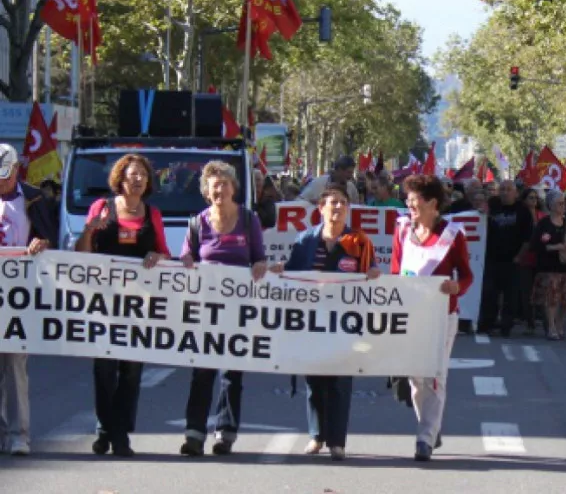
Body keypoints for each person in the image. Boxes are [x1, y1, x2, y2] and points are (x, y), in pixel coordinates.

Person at [272, 184, 381, 460]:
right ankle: (316, 436)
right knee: (315, 380)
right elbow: (294, 274)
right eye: (332, 203)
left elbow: (370, 272)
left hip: (345, 321)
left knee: (340, 381)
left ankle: (337, 441)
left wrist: (374, 273)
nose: (338, 207)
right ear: (320, 209)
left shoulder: (359, 241)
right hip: (312, 320)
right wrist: (279, 271)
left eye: (343, 203)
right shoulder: (305, 240)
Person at [76, 154, 170, 457]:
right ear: (121, 178)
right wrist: (90, 229)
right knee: (104, 369)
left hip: (138, 306)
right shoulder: (101, 208)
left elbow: (164, 252)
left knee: (130, 371)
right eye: (133, 174)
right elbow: (82, 254)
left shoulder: (152, 213)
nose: (138, 179)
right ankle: (105, 429)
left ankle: (121, 435)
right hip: (103, 303)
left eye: (143, 175)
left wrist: (158, 257)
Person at [178, 161, 267, 457]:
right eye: (214, 185)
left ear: (234, 188)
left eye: (224, 184)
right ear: (206, 191)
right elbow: (186, 255)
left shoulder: (248, 219)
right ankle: (193, 434)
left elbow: (259, 257)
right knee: (201, 371)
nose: (220, 189)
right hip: (204, 309)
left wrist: (260, 265)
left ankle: (225, 433)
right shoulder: (197, 223)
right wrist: (187, 261)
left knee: (232, 373)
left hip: (238, 310)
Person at [391, 174, 473, 461]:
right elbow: (395, 271)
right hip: (409, 315)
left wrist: (456, 287)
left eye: (415, 200)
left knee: (435, 376)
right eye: (408, 199)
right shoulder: (402, 230)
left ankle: (425, 438)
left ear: (432, 203)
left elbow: (466, 274)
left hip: (441, 316)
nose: (409, 205)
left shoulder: (453, 234)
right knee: (416, 378)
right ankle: (430, 425)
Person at [0, 144, 53, 457]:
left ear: (16, 171)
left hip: (20, 294)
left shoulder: (34, 198)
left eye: (5, 178)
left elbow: (53, 237)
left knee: (17, 365)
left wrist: (42, 241)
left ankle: (21, 435)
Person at [479, 181, 532, 337]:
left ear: (515, 193)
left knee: (511, 295)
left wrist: (519, 256)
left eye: (509, 190)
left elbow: (528, 238)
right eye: (502, 189)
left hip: (512, 259)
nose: (505, 192)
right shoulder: (493, 205)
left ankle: (506, 325)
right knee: (490, 293)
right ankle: (487, 323)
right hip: (492, 258)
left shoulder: (523, 210)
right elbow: (480, 215)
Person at [529, 191, 566, 341]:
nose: (563, 206)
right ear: (551, 205)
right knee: (551, 298)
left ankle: (560, 323)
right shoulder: (543, 223)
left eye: (564, 203)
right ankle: (551, 326)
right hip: (548, 266)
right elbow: (535, 244)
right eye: (559, 203)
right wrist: (553, 247)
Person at [516, 187, 544, 334]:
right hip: (525, 258)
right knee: (527, 292)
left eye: (535, 198)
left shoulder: (542, 216)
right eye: (530, 198)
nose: (533, 200)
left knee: (541, 291)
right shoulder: (519, 215)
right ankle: (530, 322)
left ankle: (545, 322)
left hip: (541, 258)